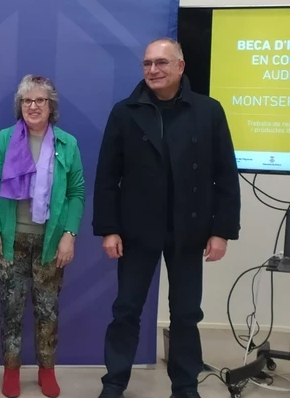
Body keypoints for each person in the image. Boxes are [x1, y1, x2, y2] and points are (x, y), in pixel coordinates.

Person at [93, 38, 241, 398]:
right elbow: (107, 177)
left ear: (180, 66)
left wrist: (221, 231)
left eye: (161, 62)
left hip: (189, 230)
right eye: (147, 64)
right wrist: (109, 229)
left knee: (187, 314)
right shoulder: (125, 112)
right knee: (126, 310)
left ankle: (186, 386)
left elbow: (225, 175)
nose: (153, 70)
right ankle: (114, 384)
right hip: (136, 231)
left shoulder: (209, 111)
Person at [0, 75, 85, 398]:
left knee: (48, 310)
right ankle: (11, 370)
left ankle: (46, 370)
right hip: (12, 240)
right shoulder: (4, 139)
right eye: (27, 101)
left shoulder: (66, 143)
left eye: (40, 100)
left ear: (50, 106)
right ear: (20, 106)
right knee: (10, 309)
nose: (33, 106)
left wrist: (69, 235)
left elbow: (76, 193)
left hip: (50, 242)